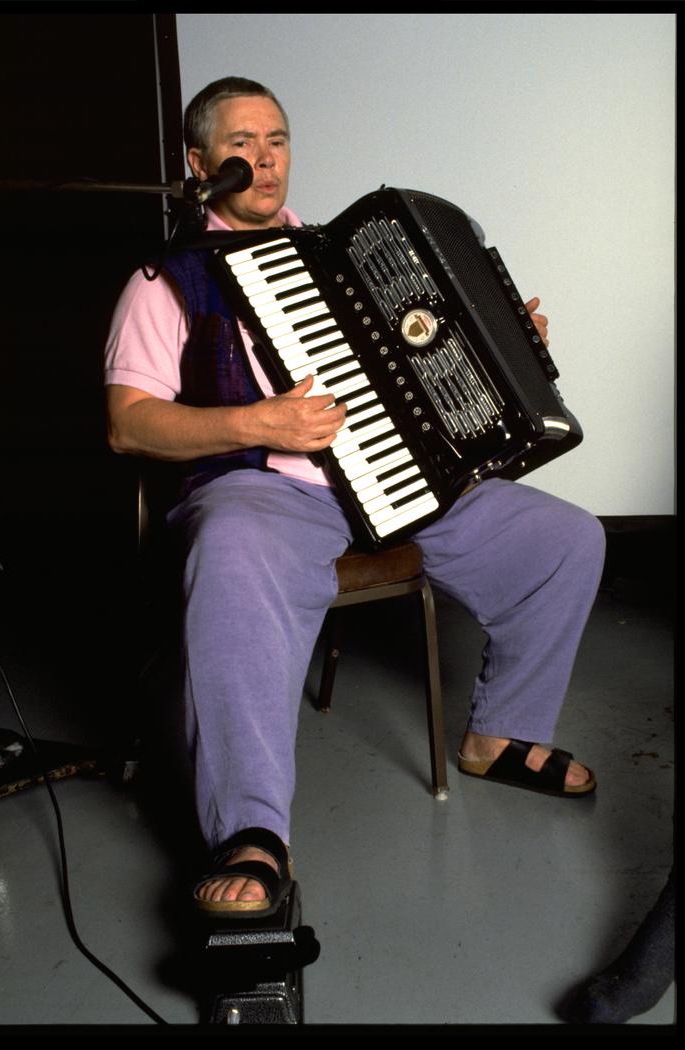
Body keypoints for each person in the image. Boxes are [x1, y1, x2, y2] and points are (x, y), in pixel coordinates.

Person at [104, 76, 606, 917]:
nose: (263, 161)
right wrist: (255, 421)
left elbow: (434, 368)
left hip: (401, 479)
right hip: (262, 490)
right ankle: (252, 835)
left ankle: (499, 735)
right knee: (230, 549)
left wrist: (506, 339)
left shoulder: (358, 255)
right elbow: (130, 426)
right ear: (200, 162)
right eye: (241, 144)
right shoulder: (167, 279)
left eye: (277, 141)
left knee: (568, 540)